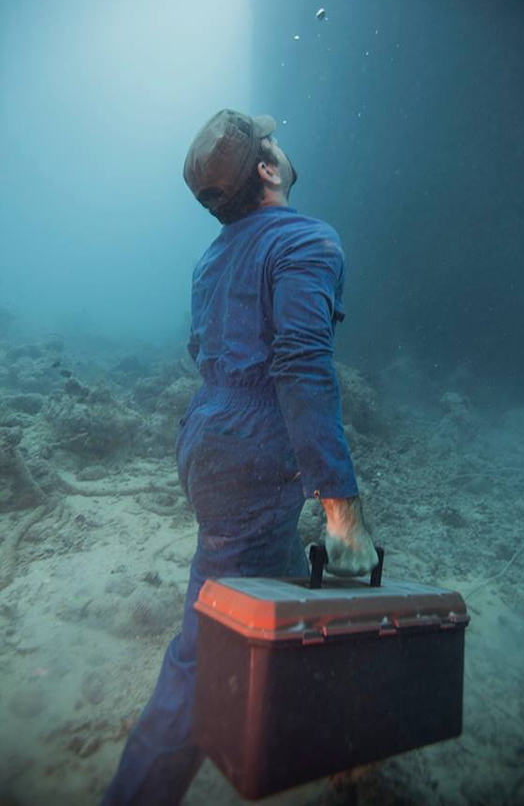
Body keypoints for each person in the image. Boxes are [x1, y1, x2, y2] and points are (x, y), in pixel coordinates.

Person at [100, 109, 378, 805]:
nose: (282, 146)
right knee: (204, 652)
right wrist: (342, 507)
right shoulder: (308, 241)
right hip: (250, 462)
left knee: (289, 585)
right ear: (266, 169)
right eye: (272, 142)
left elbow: (207, 352)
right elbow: (303, 365)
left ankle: (340, 739)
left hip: (208, 442)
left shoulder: (214, 256)